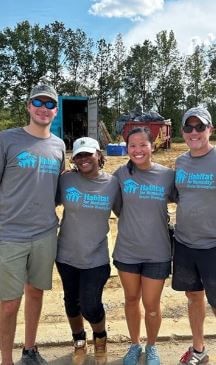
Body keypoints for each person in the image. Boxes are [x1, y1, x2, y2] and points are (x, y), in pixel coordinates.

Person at [0, 83, 65, 365]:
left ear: (56, 111)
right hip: (9, 234)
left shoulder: (60, 145)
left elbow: (56, 189)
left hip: (45, 233)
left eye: (50, 104)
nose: (43, 108)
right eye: (38, 102)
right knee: (8, 304)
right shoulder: (6, 140)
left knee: (36, 292)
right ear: (28, 106)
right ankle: (6, 359)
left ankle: (29, 349)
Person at [113, 127, 175, 365]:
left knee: (151, 306)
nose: (137, 150)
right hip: (127, 251)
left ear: (152, 146)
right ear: (127, 148)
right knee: (130, 300)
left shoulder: (167, 175)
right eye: (132, 146)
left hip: (157, 252)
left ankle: (151, 346)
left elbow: (187, 199)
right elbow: (116, 207)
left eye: (142, 145)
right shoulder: (120, 174)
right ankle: (134, 344)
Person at [55, 137, 120, 363]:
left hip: (97, 257)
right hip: (66, 255)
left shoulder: (113, 184)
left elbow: (127, 213)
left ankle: (100, 339)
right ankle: (79, 341)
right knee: (71, 302)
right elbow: (44, 201)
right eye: (79, 155)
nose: (84, 159)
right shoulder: (65, 180)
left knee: (91, 304)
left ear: (99, 156)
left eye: (88, 154)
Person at [172, 106, 216, 365]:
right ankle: (198, 349)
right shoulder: (181, 161)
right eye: (188, 127)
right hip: (185, 243)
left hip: (213, 246)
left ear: (210, 129)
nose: (194, 132)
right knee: (193, 296)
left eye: (200, 126)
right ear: (182, 132)